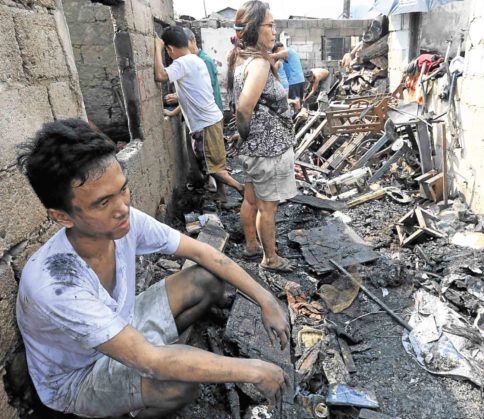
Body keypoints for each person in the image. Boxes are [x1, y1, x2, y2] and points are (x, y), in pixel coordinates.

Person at [15, 119, 289, 417]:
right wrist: (256, 371)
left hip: (124, 327)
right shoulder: (56, 284)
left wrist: (266, 299)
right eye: (103, 202)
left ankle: (154, 367)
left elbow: (202, 252)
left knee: (205, 279)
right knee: (179, 384)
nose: (122, 207)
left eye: (123, 189)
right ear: (62, 216)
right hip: (78, 378)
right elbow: (150, 360)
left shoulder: (123, 220)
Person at [228, 1, 297, 272]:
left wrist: (245, 138)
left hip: (256, 149)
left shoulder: (242, 59)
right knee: (268, 208)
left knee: (251, 199)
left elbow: (246, 108)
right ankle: (271, 259)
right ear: (255, 28)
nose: (274, 31)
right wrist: (247, 135)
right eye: (271, 25)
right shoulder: (258, 63)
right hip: (267, 150)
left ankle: (251, 245)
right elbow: (244, 108)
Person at [154, 26, 244, 203]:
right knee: (215, 163)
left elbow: (160, 75)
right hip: (211, 120)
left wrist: (157, 48)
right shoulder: (196, 61)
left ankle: (243, 190)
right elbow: (190, 96)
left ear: (170, 49)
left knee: (213, 168)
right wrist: (173, 112)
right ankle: (222, 194)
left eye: (167, 51)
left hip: (205, 124)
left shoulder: (182, 63)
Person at [272, 43, 304, 111]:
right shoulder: (292, 52)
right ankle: (300, 115)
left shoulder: (287, 51)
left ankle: (297, 117)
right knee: (298, 100)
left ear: (278, 49)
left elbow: (274, 56)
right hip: (300, 80)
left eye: (276, 52)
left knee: (294, 101)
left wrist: (261, 54)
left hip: (294, 80)